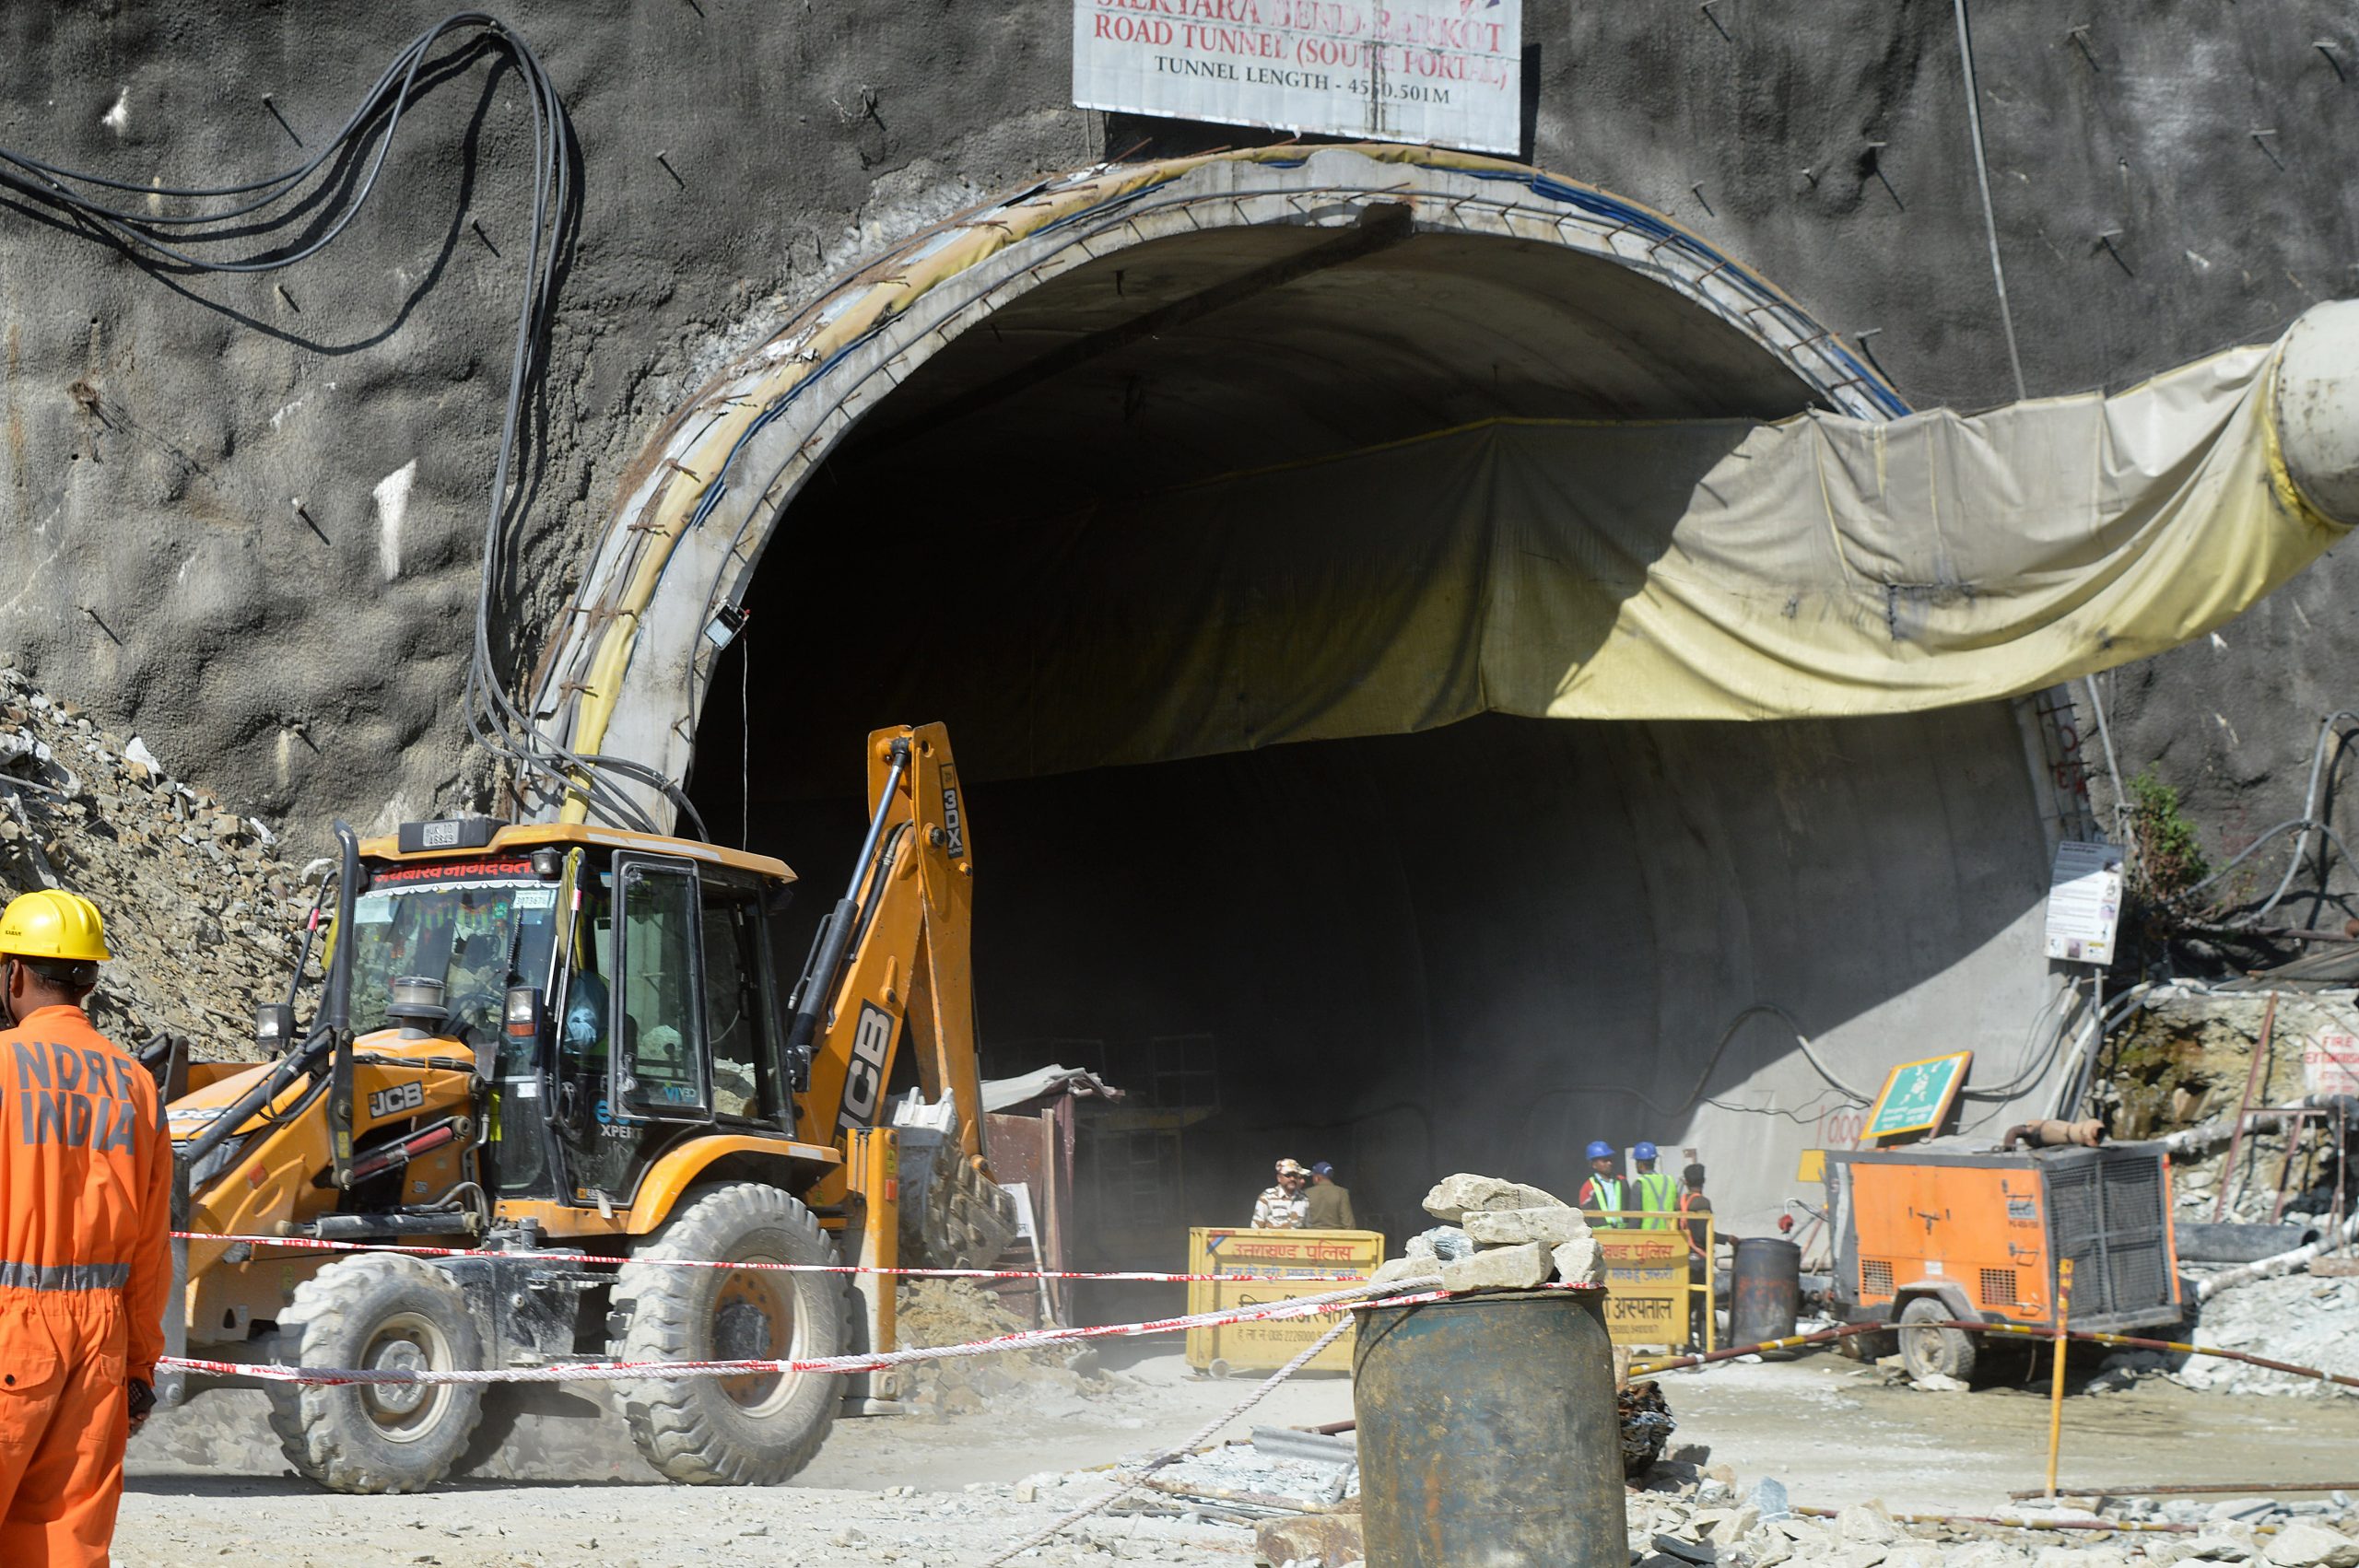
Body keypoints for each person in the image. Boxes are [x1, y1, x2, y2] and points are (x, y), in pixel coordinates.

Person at [0, 889, 170, 1567]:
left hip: (11, 1331)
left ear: (13, 975)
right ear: (93, 979)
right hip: (99, 1347)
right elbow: (151, 1247)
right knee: (66, 1547)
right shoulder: (136, 1087)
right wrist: (138, 1367)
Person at [1680, 1163, 1716, 1347]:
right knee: (1703, 1304)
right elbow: (1704, 1234)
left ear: (1685, 1182)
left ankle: (1687, 1344)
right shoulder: (1702, 1203)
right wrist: (1728, 1239)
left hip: (1683, 1259)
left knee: (1686, 1304)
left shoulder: (1680, 1202)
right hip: (1700, 1260)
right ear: (1703, 1181)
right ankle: (1705, 1343)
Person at [1576, 1141, 1626, 1228]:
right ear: (1594, 1164)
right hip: (1601, 1235)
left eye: (1610, 1159)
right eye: (1605, 1160)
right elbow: (1586, 1216)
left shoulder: (1622, 1181)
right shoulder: (1588, 1187)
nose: (1609, 1163)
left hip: (1623, 1234)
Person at [1632, 1141, 1681, 1230]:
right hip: (1670, 1236)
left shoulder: (1640, 1184)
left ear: (1639, 1164)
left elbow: (1635, 1218)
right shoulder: (1669, 1181)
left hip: (1647, 1238)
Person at [1250, 1158, 1309, 1229]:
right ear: (1279, 1178)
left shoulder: (1304, 1198)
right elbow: (1256, 1228)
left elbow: (1308, 1228)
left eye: (1295, 1175)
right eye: (1288, 1175)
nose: (1292, 1179)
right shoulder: (1267, 1196)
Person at [1302, 1161, 1356, 1230]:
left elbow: (1301, 1221)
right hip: (1335, 1238)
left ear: (1317, 1178)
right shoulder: (1342, 1193)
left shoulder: (1306, 1193)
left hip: (1312, 1237)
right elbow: (1349, 1224)